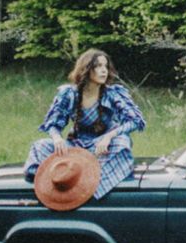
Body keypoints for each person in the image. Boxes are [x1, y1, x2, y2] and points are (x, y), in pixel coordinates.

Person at [23, 49, 146, 200]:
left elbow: (135, 121)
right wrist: (57, 138)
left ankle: (90, 184)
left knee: (122, 142)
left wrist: (109, 136)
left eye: (105, 66)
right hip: (76, 146)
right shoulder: (69, 94)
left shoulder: (112, 93)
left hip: (101, 148)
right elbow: (53, 123)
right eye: (98, 66)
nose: (103, 71)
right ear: (86, 69)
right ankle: (62, 178)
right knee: (40, 146)